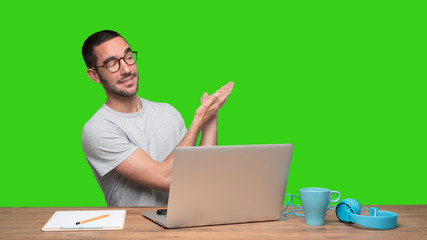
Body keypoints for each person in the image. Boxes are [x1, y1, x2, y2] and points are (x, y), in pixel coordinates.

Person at [81, 30, 234, 206]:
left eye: (128, 57)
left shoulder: (167, 112)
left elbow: (202, 176)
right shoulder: (98, 129)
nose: (126, 69)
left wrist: (210, 115)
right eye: (112, 64)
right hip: (134, 230)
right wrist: (198, 120)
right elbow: (166, 178)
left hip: (181, 222)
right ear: (94, 75)